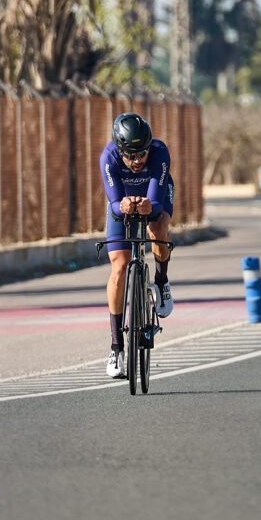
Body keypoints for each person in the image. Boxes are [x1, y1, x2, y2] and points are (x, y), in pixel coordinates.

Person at [101, 112, 175, 378]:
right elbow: (113, 202)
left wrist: (149, 206)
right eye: (130, 155)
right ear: (119, 151)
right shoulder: (108, 158)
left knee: (158, 226)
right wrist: (121, 206)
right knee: (119, 267)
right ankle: (116, 348)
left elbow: (155, 200)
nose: (137, 160)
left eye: (141, 154)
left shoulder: (159, 153)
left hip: (153, 195)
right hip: (121, 202)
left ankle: (162, 280)